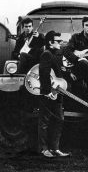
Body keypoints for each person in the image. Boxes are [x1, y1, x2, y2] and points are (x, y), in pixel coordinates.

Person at [38, 30, 70, 158]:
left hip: (57, 92)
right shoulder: (46, 54)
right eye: (58, 41)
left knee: (59, 119)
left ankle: (55, 148)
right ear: (50, 42)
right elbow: (43, 74)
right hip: (49, 93)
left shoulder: (55, 54)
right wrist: (47, 92)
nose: (60, 43)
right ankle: (44, 149)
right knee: (44, 121)